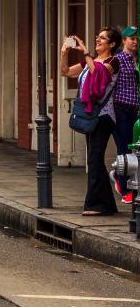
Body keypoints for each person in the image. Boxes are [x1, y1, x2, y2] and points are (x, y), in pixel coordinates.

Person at [60, 29, 121, 216]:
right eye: (98, 37)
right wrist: (64, 53)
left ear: (111, 44)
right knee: (94, 160)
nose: (98, 39)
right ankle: (106, 205)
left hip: (104, 117)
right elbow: (66, 72)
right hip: (91, 115)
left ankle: (97, 205)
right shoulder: (89, 61)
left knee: (95, 159)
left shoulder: (113, 62)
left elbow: (98, 75)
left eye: (103, 38)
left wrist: (85, 51)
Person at [111, 27, 139, 201]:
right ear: (123, 41)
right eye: (131, 39)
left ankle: (129, 181)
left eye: (137, 39)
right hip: (120, 109)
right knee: (124, 147)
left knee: (135, 149)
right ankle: (124, 187)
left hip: (135, 110)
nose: (135, 41)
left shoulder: (137, 60)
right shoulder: (119, 59)